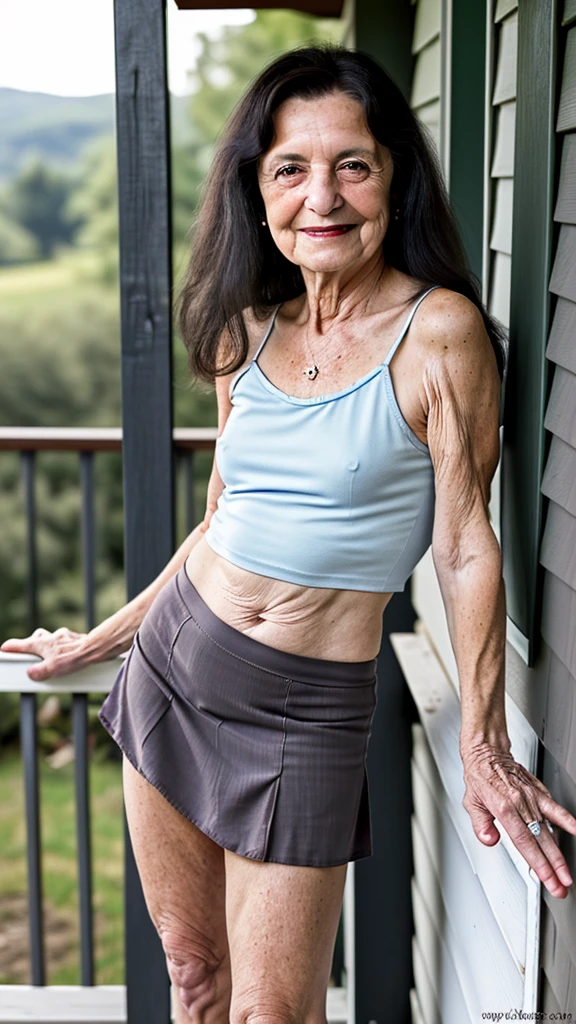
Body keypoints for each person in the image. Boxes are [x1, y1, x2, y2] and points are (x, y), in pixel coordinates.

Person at [3, 44, 576, 1024]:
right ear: (257, 193)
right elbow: (226, 521)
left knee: (275, 1011)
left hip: (304, 712)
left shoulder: (438, 332)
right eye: (291, 169)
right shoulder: (247, 328)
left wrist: (483, 744)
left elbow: (467, 541)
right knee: (194, 979)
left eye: (352, 164)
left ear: (393, 178)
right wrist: (99, 641)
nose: (325, 195)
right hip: (177, 668)